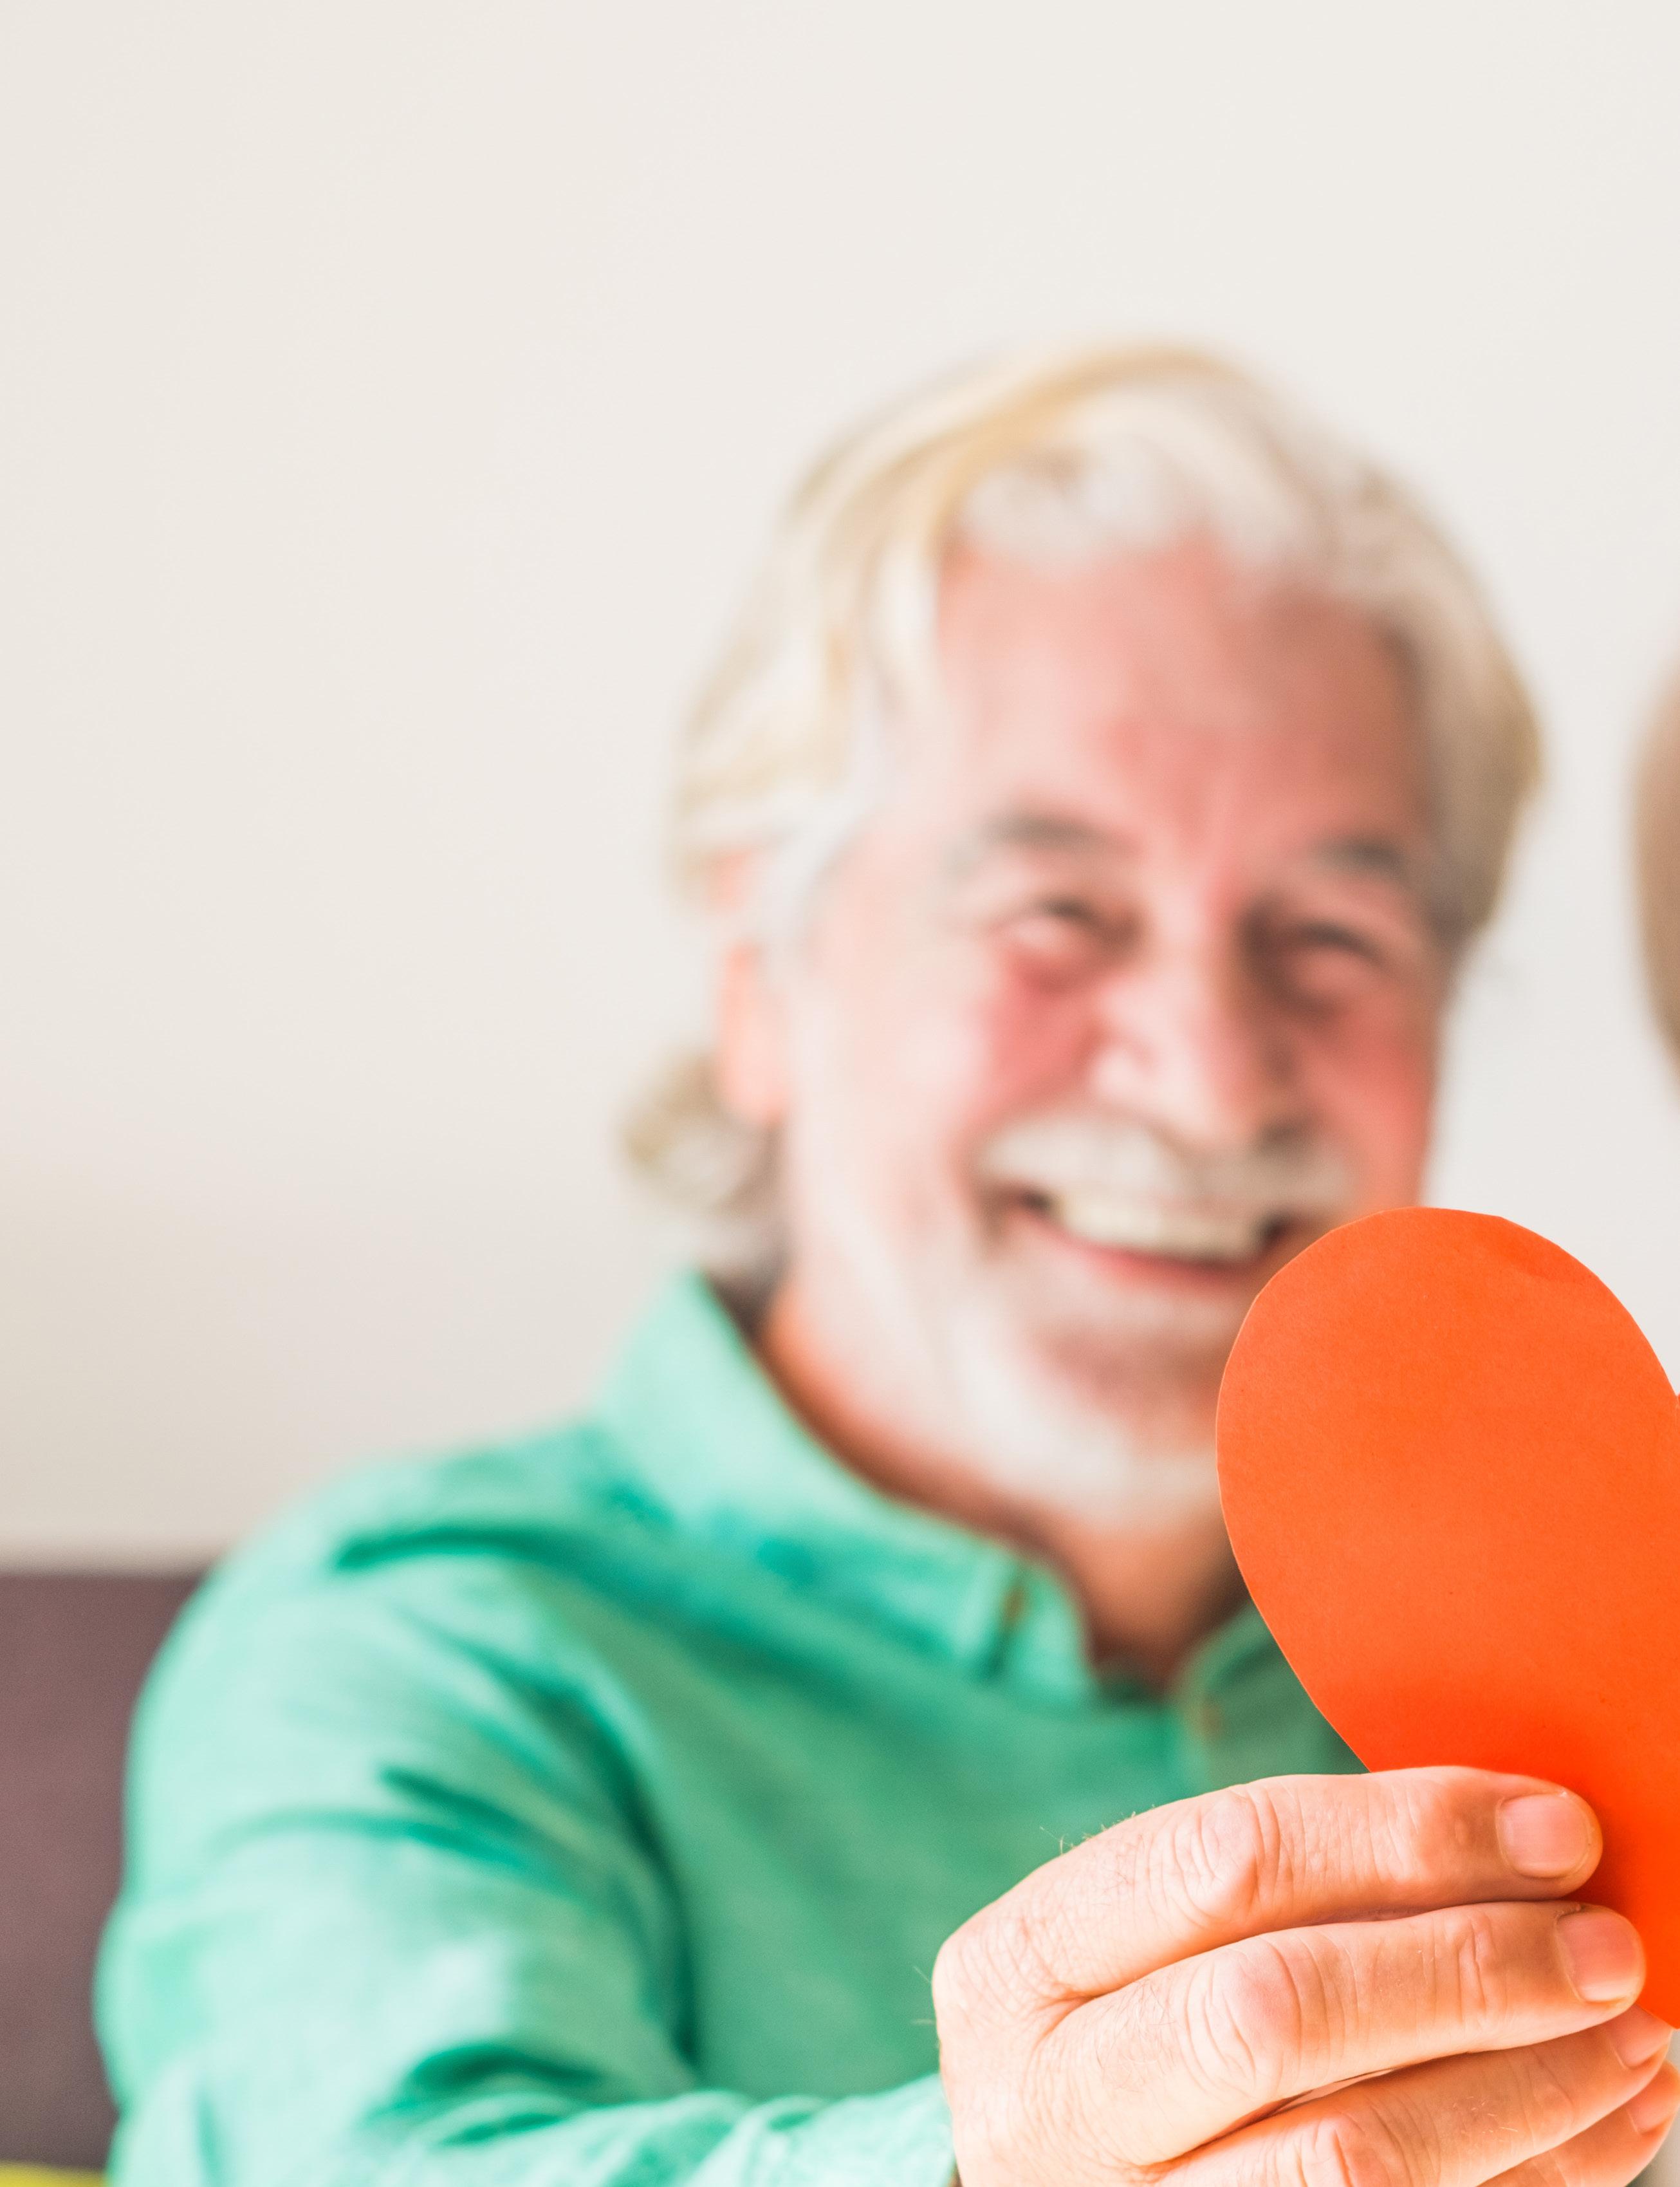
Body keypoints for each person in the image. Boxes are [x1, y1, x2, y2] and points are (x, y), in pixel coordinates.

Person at [98, 348, 1680, 2187]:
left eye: (1328, 933)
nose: (1206, 1077)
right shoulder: (422, 1648)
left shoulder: (1586, 1653)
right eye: (1057, 913)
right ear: (757, 984)